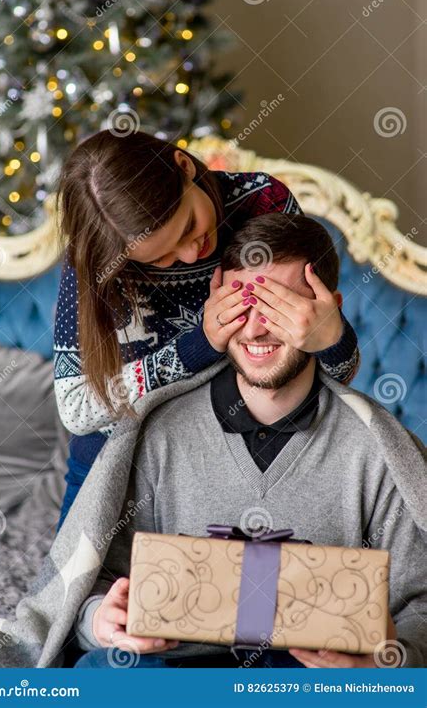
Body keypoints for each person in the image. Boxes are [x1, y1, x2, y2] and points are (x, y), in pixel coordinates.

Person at [71, 214, 426, 669]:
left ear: (329, 311)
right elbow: (94, 583)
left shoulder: (378, 450)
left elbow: (420, 606)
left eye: (281, 308)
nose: (256, 329)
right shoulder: (157, 432)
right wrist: (98, 618)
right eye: (243, 305)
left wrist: (384, 663)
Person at [54, 130, 359, 528]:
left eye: (187, 228)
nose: (188, 254)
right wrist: (199, 344)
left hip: (225, 462)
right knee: (72, 589)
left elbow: (327, 371)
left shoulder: (263, 203)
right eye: (159, 258)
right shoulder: (96, 256)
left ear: (184, 166)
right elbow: (77, 409)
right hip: (113, 462)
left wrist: (331, 340)